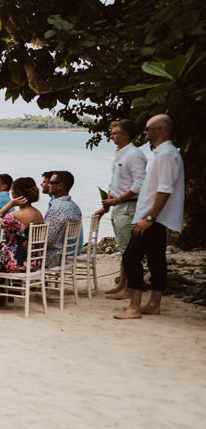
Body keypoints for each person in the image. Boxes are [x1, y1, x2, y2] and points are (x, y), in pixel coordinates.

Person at [114, 114, 184, 320]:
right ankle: (154, 303)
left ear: (159, 130)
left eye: (147, 129)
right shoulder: (164, 153)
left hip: (153, 218)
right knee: (156, 260)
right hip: (153, 217)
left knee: (130, 257)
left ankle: (134, 306)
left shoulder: (166, 155)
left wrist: (149, 218)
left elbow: (164, 189)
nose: (144, 132)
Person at [95, 120, 147, 297]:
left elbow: (140, 183)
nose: (112, 136)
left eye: (115, 133)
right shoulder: (120, 153)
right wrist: (107, 204)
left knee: (128, 250)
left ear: (126, 135)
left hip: (128, 207)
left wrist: (117, 199)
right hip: (118, 206)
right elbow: (117, 182)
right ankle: (122, 284)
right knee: (122, 247)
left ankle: (129, 288)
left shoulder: (134, 154)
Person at [0, 177, 44, 272]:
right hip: (34, 262)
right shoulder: (39, 214)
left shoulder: (15, 216)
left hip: (17, 261)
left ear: (16, 194)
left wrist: (10, 205)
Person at [44, 170, 83, 268]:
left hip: (52, 258)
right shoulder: (74, 207)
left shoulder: (56, 209)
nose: (48, 185)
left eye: (51, 183)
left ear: (60, 186)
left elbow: (48, 240)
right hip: (65, 253)